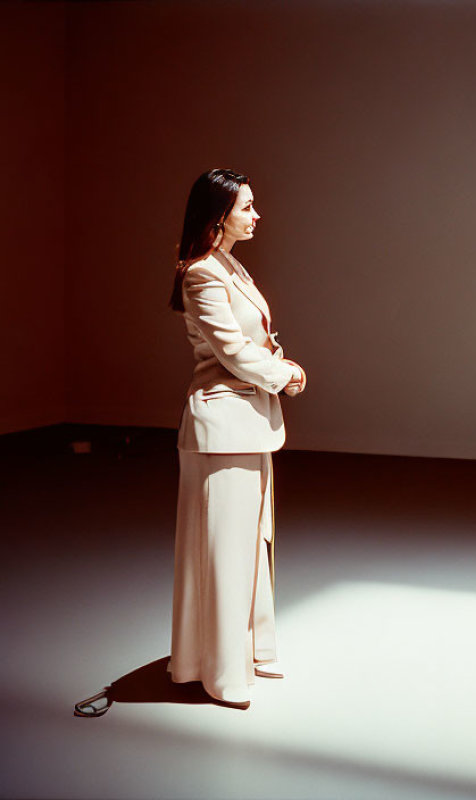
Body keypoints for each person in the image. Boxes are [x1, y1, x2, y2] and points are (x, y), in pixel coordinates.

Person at [166, 169, 306, 710]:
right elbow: (231, 353)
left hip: (247, 422)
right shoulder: (201, 274)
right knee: (224, 552)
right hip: (221, 426)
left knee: (250, 546)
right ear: (219, 213)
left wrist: (275, 366)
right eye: (247, 206)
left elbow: (251, 341)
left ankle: (246, 653)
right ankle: (220, 673)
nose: (256, 215)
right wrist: (286, 374)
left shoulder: (230, 265)